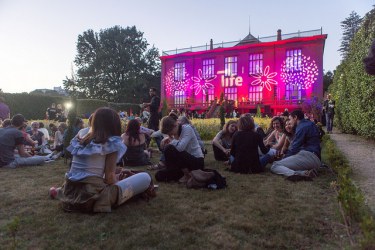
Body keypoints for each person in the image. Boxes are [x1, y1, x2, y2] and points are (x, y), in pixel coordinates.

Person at [52, 107, 153, 213]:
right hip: (93, 195)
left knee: (119, 177)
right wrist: (120, 181)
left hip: (71, 191)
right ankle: (104, 201)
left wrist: (121, 171)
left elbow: (93, 169)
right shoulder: (111, 143)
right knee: (145, 177)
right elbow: (109, 178)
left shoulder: (82, 141)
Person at [270, 110, 321, 181]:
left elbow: (294, 149)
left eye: (290, 119)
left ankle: (300, 174)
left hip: (309, 156)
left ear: (295, 118)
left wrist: (283, 159)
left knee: (275, 165)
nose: (289, 122)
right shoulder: (309, 124)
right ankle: (305, 172)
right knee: (286, 163)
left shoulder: (301, 127)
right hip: (315, 158)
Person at [155, 113, 204, 183]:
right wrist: (165, 143)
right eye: (168, 134)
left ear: (175, 126)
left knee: (170, 148)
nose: (169, 135)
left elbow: (180, 148)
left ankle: (187, 175)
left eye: (170, 132)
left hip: (196, 161)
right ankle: (180, 174)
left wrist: (171, 140)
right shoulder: (173, 134)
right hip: (182, 165)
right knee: (159, 175)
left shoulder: (187, 129)